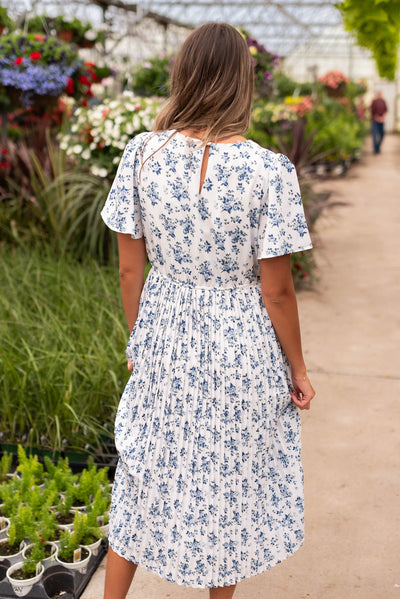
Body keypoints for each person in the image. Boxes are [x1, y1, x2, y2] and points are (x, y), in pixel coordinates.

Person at [101, 22, 315, 599]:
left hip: (164, 333)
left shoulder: (142, 153)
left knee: (142, 476)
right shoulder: (270, 170)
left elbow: (128, 268)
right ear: (242, 83)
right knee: (228, 488)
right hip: (241, 343)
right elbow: (277, 290)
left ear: (185, 73)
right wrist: (297, 368)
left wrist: (138, 341)